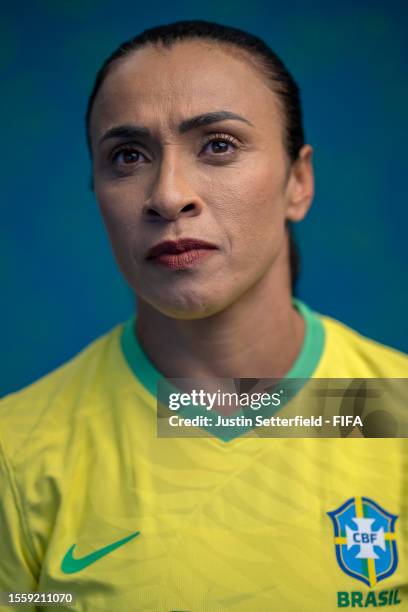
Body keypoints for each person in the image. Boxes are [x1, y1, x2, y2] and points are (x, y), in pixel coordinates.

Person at [0, 20, 407, 612]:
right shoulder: (17, 451)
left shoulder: (391, 408)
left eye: (218, 144)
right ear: (96, 192)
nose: (168, 194)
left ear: (298, 181)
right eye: (128, 155)